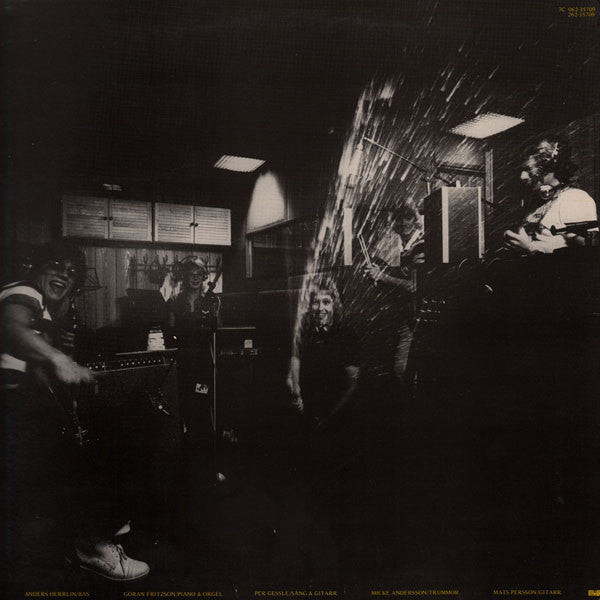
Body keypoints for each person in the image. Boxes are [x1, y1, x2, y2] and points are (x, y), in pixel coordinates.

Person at [0, 241, 149, 582]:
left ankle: (97, 530)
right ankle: (94, 544)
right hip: (13, 407)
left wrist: (59, 356)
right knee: (107, 444)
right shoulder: (25, 292)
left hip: (23, 405)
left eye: (71, 272)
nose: (63, 275)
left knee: (99, 437)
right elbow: (10, 327)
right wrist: (59, 358)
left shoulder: (42, 308)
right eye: (55, 265)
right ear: (36, 267)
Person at [286, 279, 360, 433]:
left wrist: (328, 419)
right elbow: (293, 368)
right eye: (315, 302)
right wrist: (295, 392)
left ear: (335, 305)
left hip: (337, 413)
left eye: (326, 302)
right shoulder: (305, 333)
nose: (320, 308)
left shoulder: (347, 335)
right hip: (307, 410)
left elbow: (352, 386)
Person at [504, 138, 598, 254]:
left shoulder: (575, 199)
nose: (522, 176)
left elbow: (589, 255)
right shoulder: (536, 200)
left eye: (528, 170)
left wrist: (531, 249)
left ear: (551, 169)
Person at [364, 203, 424, 382]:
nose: (404, 223)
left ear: (415, 220)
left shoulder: (420, 245)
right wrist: (380, 269)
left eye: (408, 217)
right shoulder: (407, 248)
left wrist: (382, 276)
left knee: (402, 368)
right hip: (411, 316)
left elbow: (415, 286)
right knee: (403, 369)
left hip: (421, 317)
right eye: (399, 218)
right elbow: (405, 276)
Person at [167, 260, 221, 450]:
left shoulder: (211, 301)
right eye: (192, 274)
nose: (196, 278)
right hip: (181, 364)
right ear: (184, 276)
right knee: (183, 406)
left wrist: (215, 313)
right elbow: (169, 333)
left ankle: (203, 452)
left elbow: (217, 331)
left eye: (200, 274)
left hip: (202, 365)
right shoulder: (174, 301)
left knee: (201, 402)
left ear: (204, 276)